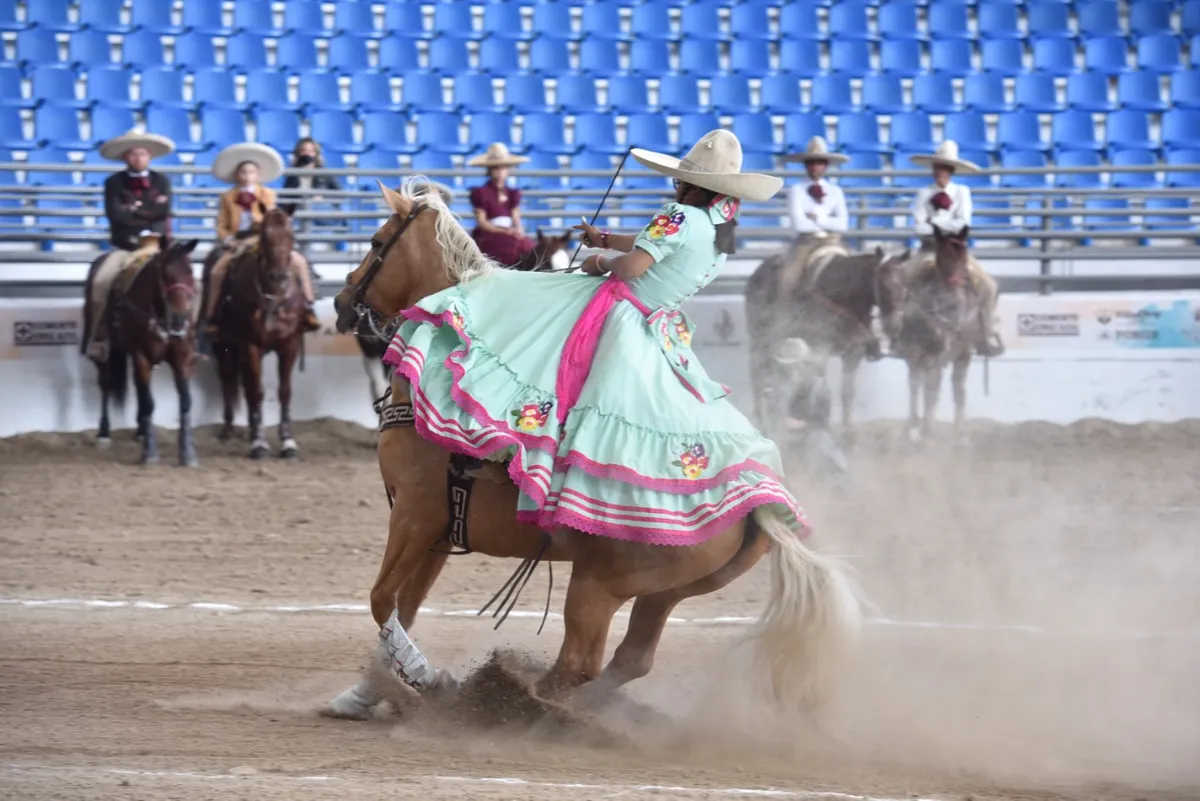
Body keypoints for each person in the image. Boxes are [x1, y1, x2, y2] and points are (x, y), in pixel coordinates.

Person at [385, 129, 808, 543]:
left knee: (534, 359)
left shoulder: (678, 215)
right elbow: (654, 243)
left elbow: (632, 267)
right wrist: (605, 237)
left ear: (695, 186)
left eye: (682, 180)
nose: (676, 186)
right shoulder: (715, 233)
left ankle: (505, 452)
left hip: (616, 311)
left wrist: (599, 259)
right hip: (655, 326)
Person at [202, 142, 319, 334]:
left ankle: (308, 306)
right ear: (237, 175)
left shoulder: (267, 194)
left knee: (299, 262)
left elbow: (271, 220)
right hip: (239, 239)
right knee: (217, 271)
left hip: (262, 237)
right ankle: (212, 313)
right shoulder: (228, 196)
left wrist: (256, 213)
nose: (247, 176)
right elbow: (221, 224)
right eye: (243, 172)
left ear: (257, 175)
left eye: (251, 172)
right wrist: (228, 239)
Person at [86, 129, 177, 360]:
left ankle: (188, 333)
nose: (138, 158)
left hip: (158, 246)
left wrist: (135, 210)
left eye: (143, 154)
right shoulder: (114, 183)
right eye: (133, 154)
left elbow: (163, 211)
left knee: (185, 284)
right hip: (127, 246)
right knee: (101, 281)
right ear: (125, 157)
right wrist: (148, 212)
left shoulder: (162, 181)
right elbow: (115, 215)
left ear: (149, 157)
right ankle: (98, 334)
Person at [909, 140, 1003, 357]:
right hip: (929, 250)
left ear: (951, 171)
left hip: (955, 251)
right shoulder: (924, 193)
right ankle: (900, 332)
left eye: (945, 168)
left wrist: (935, 224)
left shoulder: (962, 192)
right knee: (901, 281)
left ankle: (986, 331)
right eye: (937, 168)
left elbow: (963, 223)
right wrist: (937, 227)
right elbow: (918, 226)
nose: (940, 172)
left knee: (988, 286)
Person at [467, 142, 537, 267]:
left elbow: (515, 216)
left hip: (509, 231)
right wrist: (504, 232)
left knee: (528, 246)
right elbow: (482, 222)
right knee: (506, 245)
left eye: (503, 168)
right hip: (490, 234)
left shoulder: (513, 193)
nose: (500, 172)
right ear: (489, 170)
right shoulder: (480, 193)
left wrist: (517, 229)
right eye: (496, 168)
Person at [280, 137, 340, 217]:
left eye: (311, 151)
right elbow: (286, 196)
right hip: (299, 210)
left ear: (316, 153)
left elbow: (338, 193)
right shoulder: (292, 173)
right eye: (303, 150)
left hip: (320, 210)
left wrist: (323, 197)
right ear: (298, 153)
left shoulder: (324, 172)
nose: (307, 154)